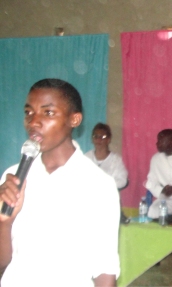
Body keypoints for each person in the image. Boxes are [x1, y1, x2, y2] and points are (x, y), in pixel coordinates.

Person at [0, 79, 120, 286]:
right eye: (29, 112)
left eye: (48, 113)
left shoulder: (98, 185)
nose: (34, 121)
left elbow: (104, 270)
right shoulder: (13, 176)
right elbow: (3, 263)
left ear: (74, 119)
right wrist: (5, 222)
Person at [85, 122, 130, 224]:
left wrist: (105, 183)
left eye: (102, 137)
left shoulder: (116, 160)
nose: (98, 139)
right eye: (95, 136)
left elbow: (123, 180)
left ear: (108, 139)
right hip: (88, 204)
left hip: (109, 202)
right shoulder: (86, 158)